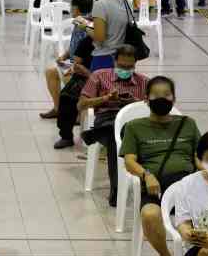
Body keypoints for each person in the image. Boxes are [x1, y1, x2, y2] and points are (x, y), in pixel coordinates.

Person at [120, 76, 201, 256]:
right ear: (146, 99)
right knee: (149, 214)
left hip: (186, 186)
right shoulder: (134, 127)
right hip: (155, 186)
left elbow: (199, 158)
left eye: (167, 94)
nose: (162, 99)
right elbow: (129, 161)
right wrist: (146, 175)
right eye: (156, 95)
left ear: (174, 99)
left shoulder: (188, 124)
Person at [58, 46, 148, 206]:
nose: (125, 70)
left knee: (131, 134)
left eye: (129, 67)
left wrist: (134, 103)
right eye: (121, 66)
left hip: (134, 121)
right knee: (115, 138)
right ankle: (117, 189)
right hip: (108, 118)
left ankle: (146, 184)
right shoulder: (99, 76)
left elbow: (152, 106)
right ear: (114, 61)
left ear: (135, 64)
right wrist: (105, 98)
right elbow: (81, 104)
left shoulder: (144, 81)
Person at [40, 0, 94, 119]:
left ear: (76, 8)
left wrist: (70, 65)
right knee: (51, 72)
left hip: (84, 66)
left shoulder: (87, 25)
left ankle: (77, 114)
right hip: (74, 61)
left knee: (68, 75)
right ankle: (58, 109)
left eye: (71, 6)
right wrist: (64, 56)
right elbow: (74, 45)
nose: (70, 9)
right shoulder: (78, 22)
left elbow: (83, 53)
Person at [85, 0, 129, 71]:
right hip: (124, 56)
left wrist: (84, 26)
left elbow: (100, 37)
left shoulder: (100, 5)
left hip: (104, 57)